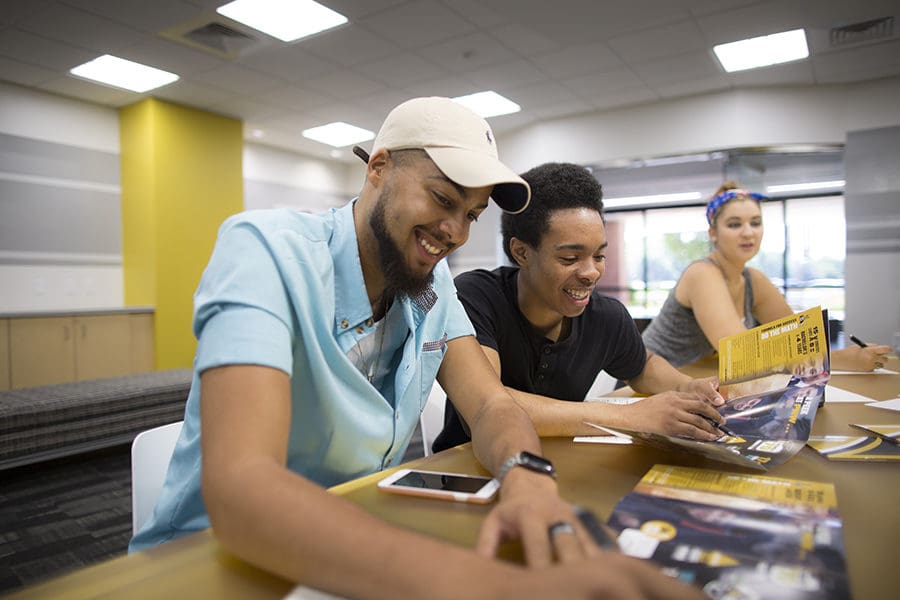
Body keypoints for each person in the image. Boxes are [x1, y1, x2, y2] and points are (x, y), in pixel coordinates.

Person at [128, 98, 702, 599]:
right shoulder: (264, 251)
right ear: (378, 167)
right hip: (208, 562)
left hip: (347, 541)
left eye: (471, 214)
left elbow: (491, 406)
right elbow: (241, 492)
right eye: (442, 198)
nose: (454, 230)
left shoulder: (433, 285)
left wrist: (529, 480)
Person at [433, 162, 726, 454]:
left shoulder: (606, 317)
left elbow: (642, 366)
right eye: (570, 258)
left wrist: (687, 386)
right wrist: (632, 416)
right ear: (521, 252)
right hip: (471, 465)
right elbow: (488, 406)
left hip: (558, 461)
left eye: (599, 256)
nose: (591, 273)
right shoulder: (477, 296)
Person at [642, 181, 890, 371]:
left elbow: (796, 341)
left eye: (756, 222)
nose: (748, 233)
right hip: (647, 385)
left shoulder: (753, 280)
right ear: (713, 233)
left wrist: (840, 357)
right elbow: (741, 356)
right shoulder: (702, 274)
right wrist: (840, 359)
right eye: (735, 224)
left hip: (698, 378)